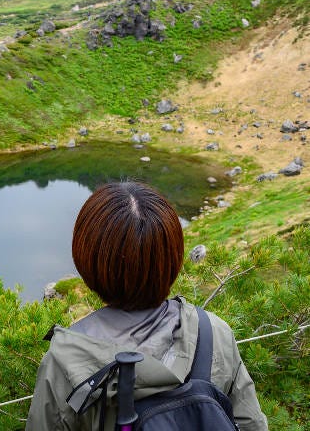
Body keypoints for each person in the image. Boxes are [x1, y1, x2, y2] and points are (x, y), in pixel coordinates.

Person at [25, 181, 267, 431]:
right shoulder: (213, 332)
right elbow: (251, 424)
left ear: (88, 260)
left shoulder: (65, 360)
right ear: (172, 257)